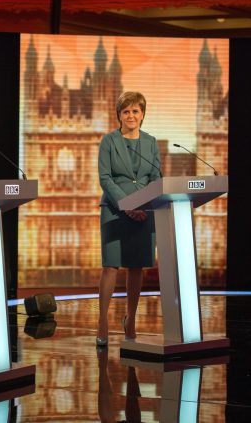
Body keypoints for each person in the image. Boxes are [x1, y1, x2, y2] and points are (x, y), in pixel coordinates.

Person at [96, 91, 160, 346]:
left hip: (145, 210)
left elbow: (155, 177)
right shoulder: (108, 141)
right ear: (119, 115)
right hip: (115, 209)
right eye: (126, 111)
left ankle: (130, 319)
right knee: (111, 266)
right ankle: (102, 321)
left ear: (142, 114)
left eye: (135, 111)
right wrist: (127, 205)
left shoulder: (151, 142)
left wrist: (143, 203)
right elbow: (105, 178)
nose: (131, 115)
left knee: (136, 266)